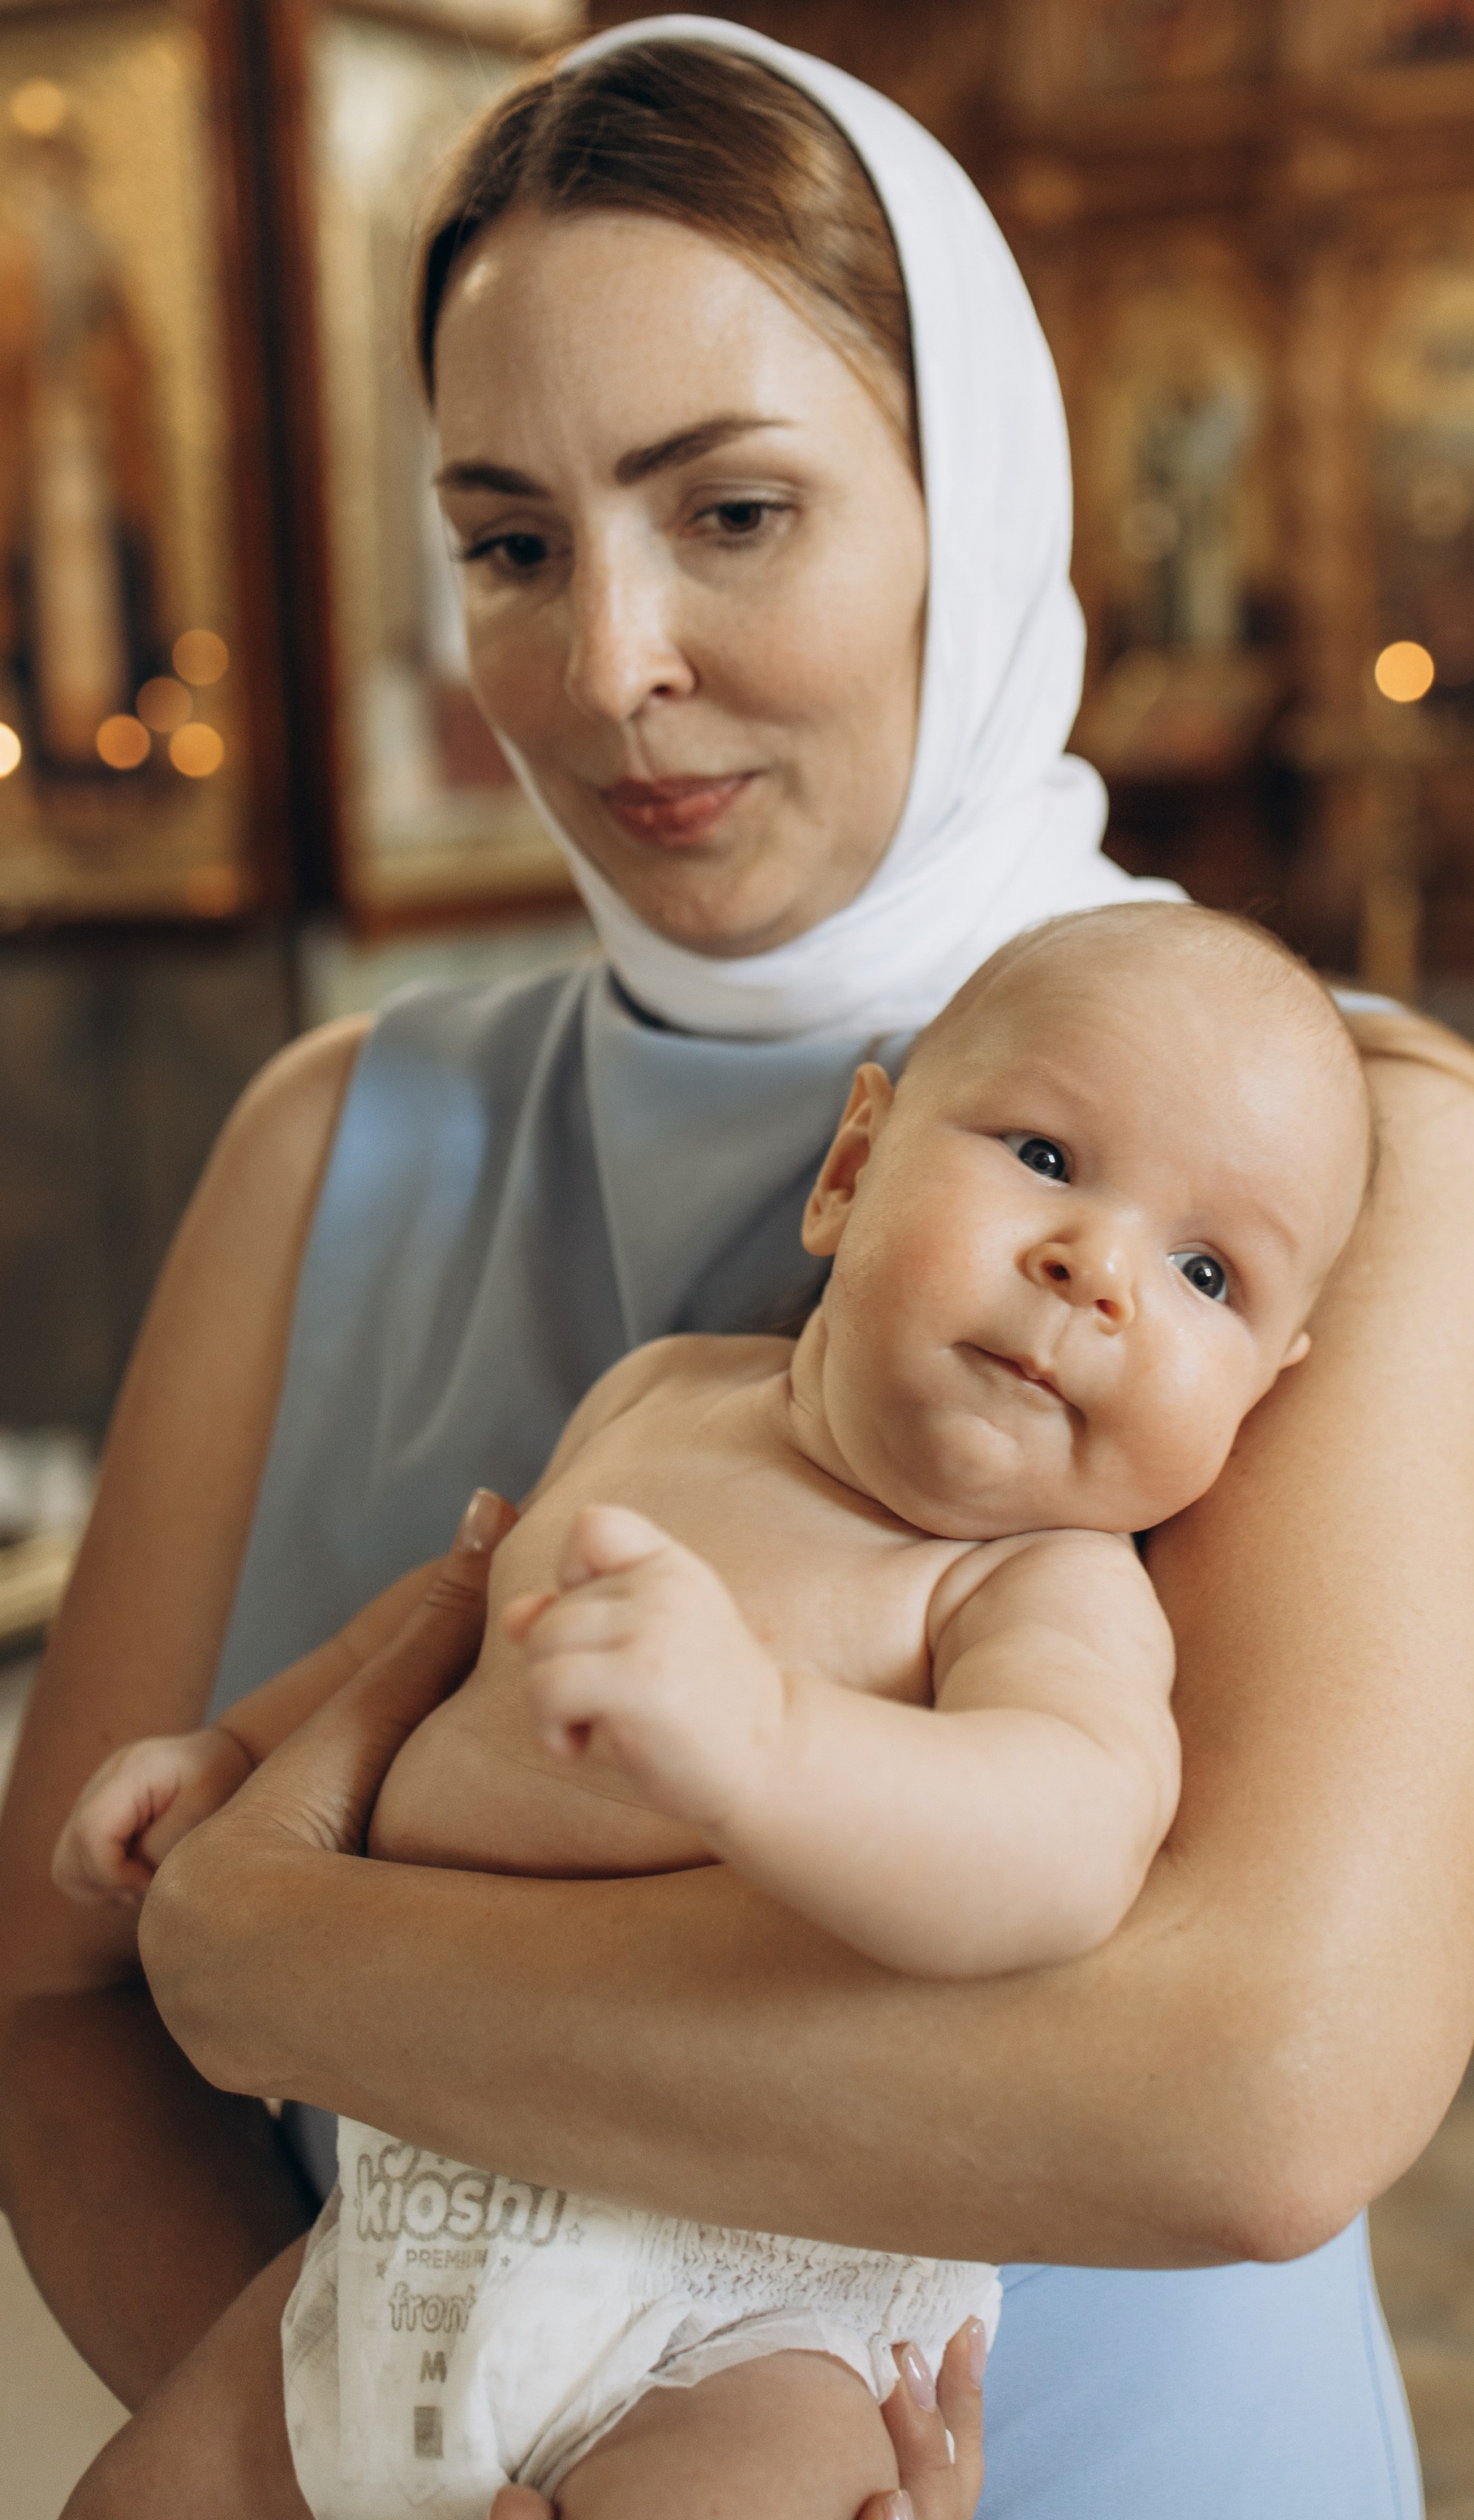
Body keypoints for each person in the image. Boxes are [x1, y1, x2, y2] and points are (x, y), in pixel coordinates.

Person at [0, 17, 1474, 2520]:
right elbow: (57, 1992)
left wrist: (285, 1957)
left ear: (980, 501)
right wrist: (403, 2442)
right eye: (512, 543)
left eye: (732, 514)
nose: (608, 665)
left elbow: (1258, 2097)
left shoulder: (1343, 1148)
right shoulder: (330, 1136)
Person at [54, 903, 1373, 2519]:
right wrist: (234, 1755)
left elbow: (1062, 1840)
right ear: (848, 1173)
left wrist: (762, 1743)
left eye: (1202, 1272)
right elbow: (427, 1638)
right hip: (413, 2196)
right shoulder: (656, 1395)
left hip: (756, 2296)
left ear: (1262, 1387)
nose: (1092, 1269)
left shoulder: (1034, 1587)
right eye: (1041, 1156)